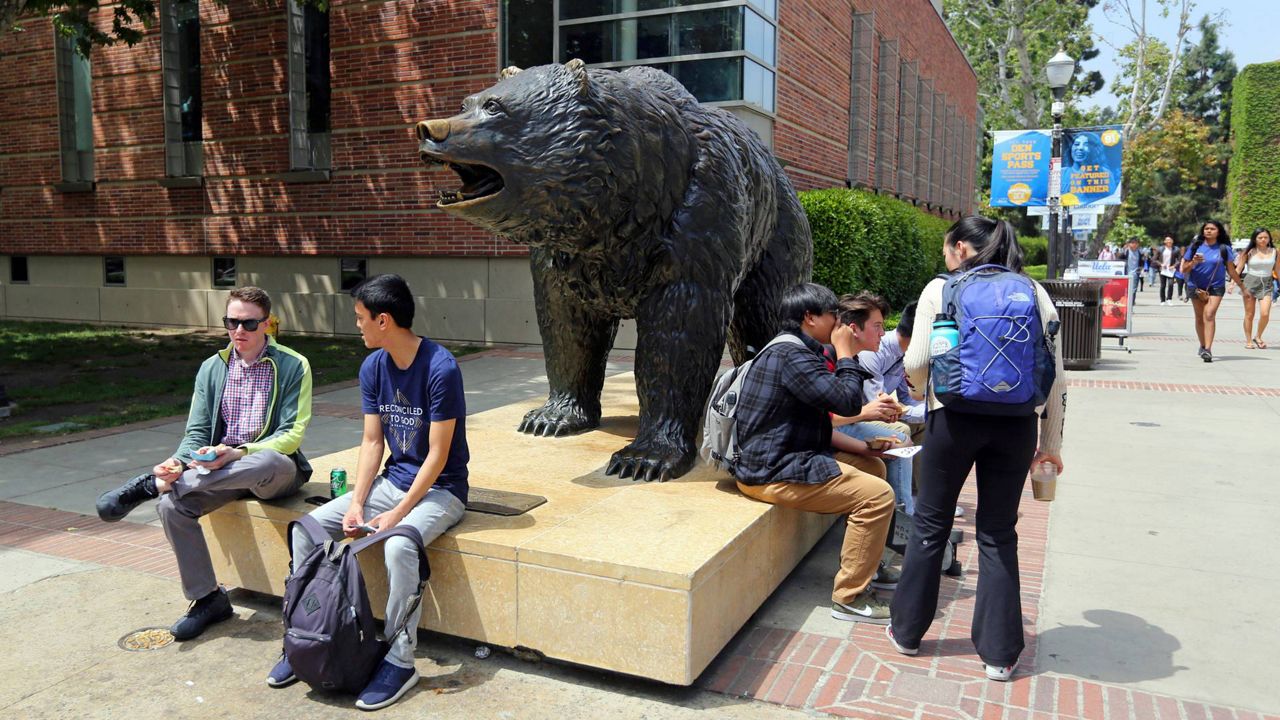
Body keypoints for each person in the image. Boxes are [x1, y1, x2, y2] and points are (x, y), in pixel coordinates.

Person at [267, 274, 470, 710]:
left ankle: (400, 660)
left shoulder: (440, 367)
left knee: (399, 548)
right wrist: (358, 501)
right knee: (306, 530)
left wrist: (396, 516)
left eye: (361, 318)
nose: (357, 326)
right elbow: (373, 442)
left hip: (441, 491)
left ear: (384, 320)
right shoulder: (373, 367)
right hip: (391, 483)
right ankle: (306, 638)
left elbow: (437, 456)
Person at [888, 217, 1067, 682]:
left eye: (949, 249)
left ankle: (907, 632)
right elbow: (1058, 376)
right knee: (997, 532)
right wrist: (1050, 446)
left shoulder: (941, 289)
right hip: (1015, 426)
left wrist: (928, 389)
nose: (947, 258)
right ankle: (999, 654)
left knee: (931, 522)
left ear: (961, 248)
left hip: (953, 420)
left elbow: (918, 360)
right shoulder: (1034, 292)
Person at [96, 286, 314, 640]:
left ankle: (149, 486)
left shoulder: (293, 365)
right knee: (170, 506)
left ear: (267, 325)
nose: (238, 332)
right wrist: (179, 462)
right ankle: (208, 599)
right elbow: (196, 431)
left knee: (266, 460)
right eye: (231, 322)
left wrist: (239, 452)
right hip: (219, 471)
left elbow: (292, 434)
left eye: (248, 324)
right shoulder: (212, 368)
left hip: (272, 470)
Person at [730, 283, 897, 624]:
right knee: (878, 496)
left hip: (786, 458)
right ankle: (849, 597)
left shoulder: (798, 351)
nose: (839, 323)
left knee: (872, 467)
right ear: (809, 318)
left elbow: (829, 418)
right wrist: (846, 352)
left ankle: (868, 560)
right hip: (771, 471)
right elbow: (847, 402)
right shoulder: (791, 356)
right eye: (832, 315)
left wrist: (867, 447)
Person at [1182, 220, 1244, 362]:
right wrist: (1194, 262)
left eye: (1212, 229)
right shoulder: (1195, 246)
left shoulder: (1224, 248)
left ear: (1218, 231)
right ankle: (1202, 345)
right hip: (1195, 285)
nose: (1208, 231)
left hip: (1216, 286)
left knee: (1209, 315)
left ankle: (1208, 349)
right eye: (1206, 228)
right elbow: (1184, 269)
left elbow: (1231, 269)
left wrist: (1241, 286)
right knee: (1199, 317)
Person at [1237, 228, 1277, 349]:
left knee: (1265, 313)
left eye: (1265, 237)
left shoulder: (1275, 252)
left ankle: (1258, 336)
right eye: (1260, 237)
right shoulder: (1248, 252)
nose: (1263, 240)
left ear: (1269, 238)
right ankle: (1249, 340)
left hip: (1267, 283)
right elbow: (1239, 268)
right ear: (1255, 239)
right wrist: (1233, 283)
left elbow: (1278, 270)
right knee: (1249, 314)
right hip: (1250, 283)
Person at [1116, 238, 1143, 306]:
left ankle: (1131, 304)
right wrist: (1123, 250)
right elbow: (1118, 258)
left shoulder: (1139, 252)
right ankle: (1123, 303)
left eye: (1136, 243)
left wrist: (1140, 269)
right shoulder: (1126, 251)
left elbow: (1141, 262)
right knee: (1124, 289)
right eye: (1132, 243)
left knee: (1133, 290)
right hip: (1125, 273)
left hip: (1135, 274)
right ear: (1129, 244)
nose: (1134, 244)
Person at [1156, 235, 1178, 305]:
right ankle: (1162, 300)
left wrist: (1174, 265)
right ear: (1164, 241)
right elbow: (1154, 259)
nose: (1169, 241)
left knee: (1171, 284)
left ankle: (1169, 299)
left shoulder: (1176, 249)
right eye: (1167, 240)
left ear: (1172, 241)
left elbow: (1179, 259)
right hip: (1163, 270)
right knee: (1163, 285)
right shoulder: (1160, 249)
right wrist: (1161, 264)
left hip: (1171, 270)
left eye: (1170, 240)